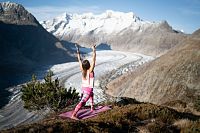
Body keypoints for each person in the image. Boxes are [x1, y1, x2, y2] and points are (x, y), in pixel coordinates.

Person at [71, 43, 96, 120]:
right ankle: (74, 115)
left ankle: (92, 107)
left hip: (84, 89)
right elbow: (94, 59)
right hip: (88, 90)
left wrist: (78, 50)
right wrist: (94, 50)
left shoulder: (83, 70)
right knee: (82, 103)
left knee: (92, 94)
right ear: (89, 65)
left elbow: (79, 60)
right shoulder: (90, 71)